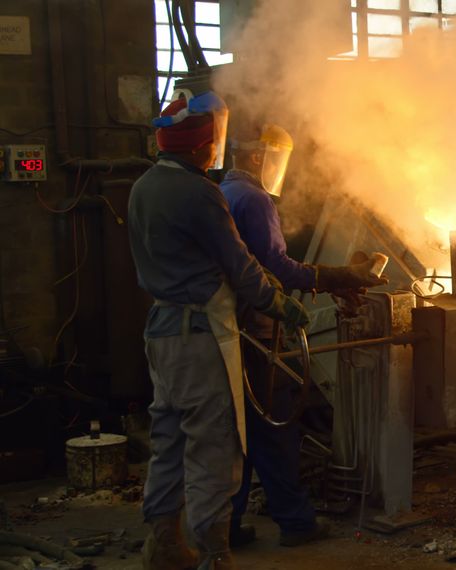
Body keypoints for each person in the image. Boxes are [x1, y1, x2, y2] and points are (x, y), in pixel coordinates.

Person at [128, 92, 310, 570]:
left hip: (161, 331)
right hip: (199, 334)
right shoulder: (199, 193)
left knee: (168, 439)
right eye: (212, 144)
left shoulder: (143, 186)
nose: (215, 152)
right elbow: (241, 266)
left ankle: (164, 544)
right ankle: (214, 554)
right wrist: (279, 303)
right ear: (198, 147)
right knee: (214, 445)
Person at [219, 122, 388, 548]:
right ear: (259, 157)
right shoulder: (254, 199)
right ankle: (295, 523)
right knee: (273, 427)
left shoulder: (224, 193)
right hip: (256, 327)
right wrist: (336, 276)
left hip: (228, 328)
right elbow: (277, 266)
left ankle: (228, 524)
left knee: (239, 430)